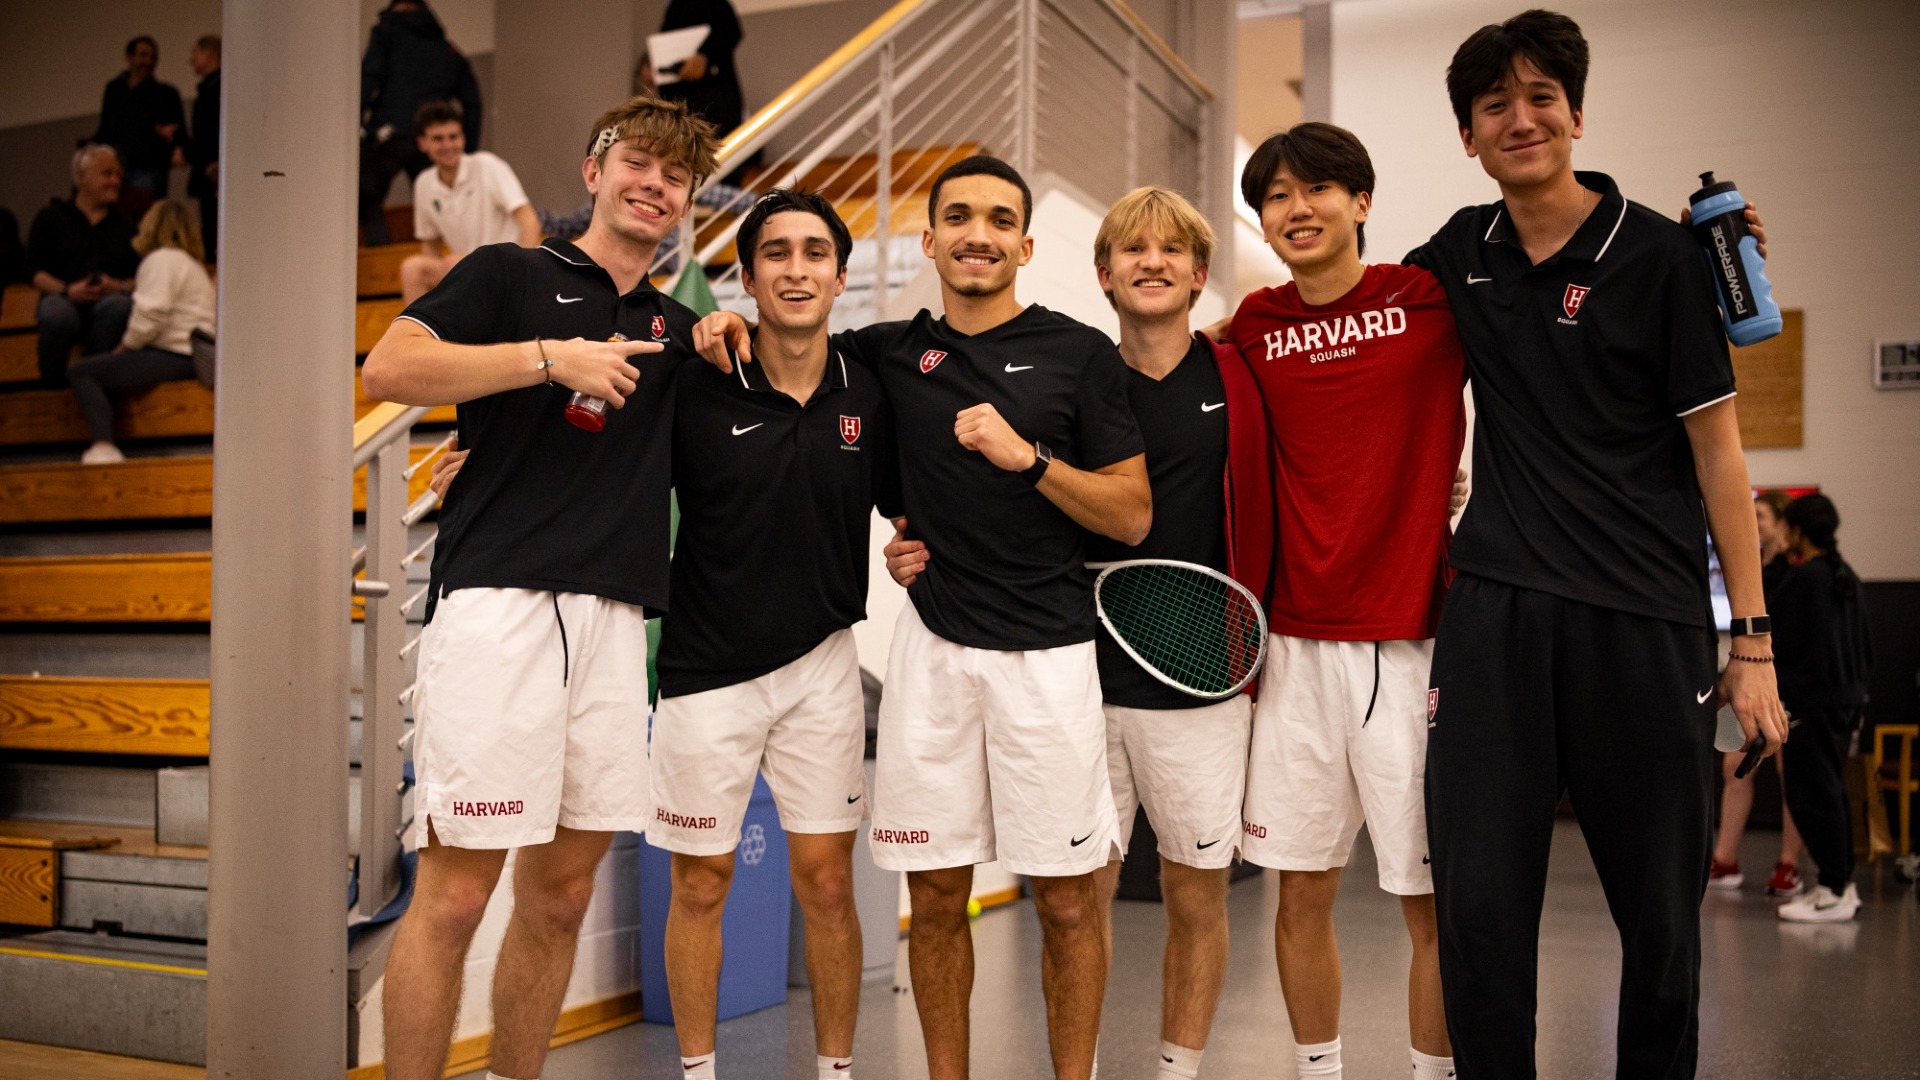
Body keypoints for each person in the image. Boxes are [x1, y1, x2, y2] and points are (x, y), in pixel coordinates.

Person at [696, 155, 1151, 1080]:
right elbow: (796, 356)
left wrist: (1028, 460)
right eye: (957, 216)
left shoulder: (1079, 353)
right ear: (930, 238)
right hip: (934, 656)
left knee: (1068, 904)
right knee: (936, 899)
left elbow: (1132, 513)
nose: (977, 232)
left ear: (1024, 243)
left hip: (1051, 658)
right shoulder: (884, 354)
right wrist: (724, 323)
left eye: (997, 219)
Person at [1408, 11, 1788, 1078]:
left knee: (1661, 922)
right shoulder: (1456, 253)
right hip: (1494, 617)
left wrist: (1750, 646)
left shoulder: (1665, 260)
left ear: (1577, 113)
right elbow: (1356, 330)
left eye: (1540, 99)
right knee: (1479, 915)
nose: (1519, 119)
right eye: (1494, 107)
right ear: (1469, 137)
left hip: (1645, 621)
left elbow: (1721, 458)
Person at [360, 94, 719, 1080]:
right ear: (594, 171)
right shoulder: (510, 273)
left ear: (688, 202)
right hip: (497, 610)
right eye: (637, 162)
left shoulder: (679, 330)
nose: (655, 184)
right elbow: (391, 367)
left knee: (561, 898)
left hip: (611, 626)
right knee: (458, 896)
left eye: (676, 175)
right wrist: (544, 360)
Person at [1223, 123, 1463, 1080]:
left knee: (1430, 902)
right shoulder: (1251, 323)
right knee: (1298, 894)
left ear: (1360, 202)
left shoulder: (1428, 301)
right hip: (1293, 648)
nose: (1298, 207)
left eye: (1318, 188)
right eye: (1276, 196)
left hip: (1412, 642)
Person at [645, 189, 896, 1080]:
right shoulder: (695, 376)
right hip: (705, 671)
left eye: (816, 252)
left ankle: (835, 1071)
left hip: (824, 664)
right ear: (745, 276)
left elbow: (914, 496)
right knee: (701, 882)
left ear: (839, 272)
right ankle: (698, 1073)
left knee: (828, 884)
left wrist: (916, 543)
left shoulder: (869, 383)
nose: (797, 269)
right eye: (777, 254)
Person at [1079, 187, 1272, 1080]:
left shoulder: (1243, 377)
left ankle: (1177, 1072)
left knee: (1196, 897)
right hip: (1079, 679)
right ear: (1104, 272)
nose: (1150, 262)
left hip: (1202, 682)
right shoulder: (1074, 379)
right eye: (1131, 249)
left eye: (1170, 251)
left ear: (1199, 274)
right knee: (1078, 901)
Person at [1773, 494, 1873, 923]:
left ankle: (1833, 888)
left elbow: (1779, 638)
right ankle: (1839, 883)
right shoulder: (1844, 574)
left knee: (1812, 793)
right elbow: (1865, 646)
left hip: (1812, 703)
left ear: (1797, 530)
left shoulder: (1805, 578)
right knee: (1831, 790)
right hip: (1846, 700)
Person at [65, 200, 214, 465]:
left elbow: (150, 315)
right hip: (195, 354)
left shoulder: (161, 260)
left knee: (82, 371)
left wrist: (123, 349)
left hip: (175, 353)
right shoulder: (192, 265)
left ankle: (103, 446)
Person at [1709, 489, 1805, 896]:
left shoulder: (1800, 570)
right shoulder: (1748, 569)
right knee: (1734, 766)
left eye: (1761, 515)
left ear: (1783, 523)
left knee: (1792, 775)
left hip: (1789, 683)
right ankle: (1724, 858)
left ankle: (1788, 864)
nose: (1754, 522)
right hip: (1745, 679)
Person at [359, 0, 484, 245]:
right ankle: (442, 258)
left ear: (398, 7)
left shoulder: (387, 33)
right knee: (437, 199)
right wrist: (463, 148)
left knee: (367, 197)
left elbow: (367, 78)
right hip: (432, 141)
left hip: (390, 134)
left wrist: (358, 127)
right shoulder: (447, 49)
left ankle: (382, 260)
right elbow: (473, 102)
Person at [400, 100, 540, 303]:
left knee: (454, 262)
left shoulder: (487, 165)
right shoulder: (424, 183)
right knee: (412, 269)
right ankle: (418, 332)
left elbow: (529, 221)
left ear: (463, 138)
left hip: (504, 268)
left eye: (453, 137)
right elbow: (430, 242)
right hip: (466, 271)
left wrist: (523, 271)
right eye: (438, 139)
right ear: (423, 143)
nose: (448, 145)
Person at [27, 145, 138, 388]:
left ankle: (90, 381)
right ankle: (52, 389)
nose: (115, 181)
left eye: (119, 175)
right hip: (64, 297)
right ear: (81, 176)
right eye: (107, 173)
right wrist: (67, 290)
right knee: (55, 312)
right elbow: (33, 271)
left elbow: (140, 277)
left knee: (120, 305)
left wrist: (116, 285)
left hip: (108, 303)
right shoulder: (51, 218)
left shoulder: (126, 226)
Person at [89, 36, 185, 223]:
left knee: (147, 220)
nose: (148, 62)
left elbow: (178, 132)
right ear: (129, 57)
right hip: (117, 168)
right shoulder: (114, 89)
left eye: (153, 57)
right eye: (143, 55)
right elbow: (106, 127)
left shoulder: (165, 94)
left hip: (149, 168)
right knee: (114, 221)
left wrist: (174, 144)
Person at [184, 35, 221, 263]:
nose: (191, 60)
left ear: (209, 53)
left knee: (214, 228)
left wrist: (187, 150)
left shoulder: (218, 88)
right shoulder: (210, 87)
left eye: (195, 52)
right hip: (209, 168)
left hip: (214, 169)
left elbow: (210, 133)